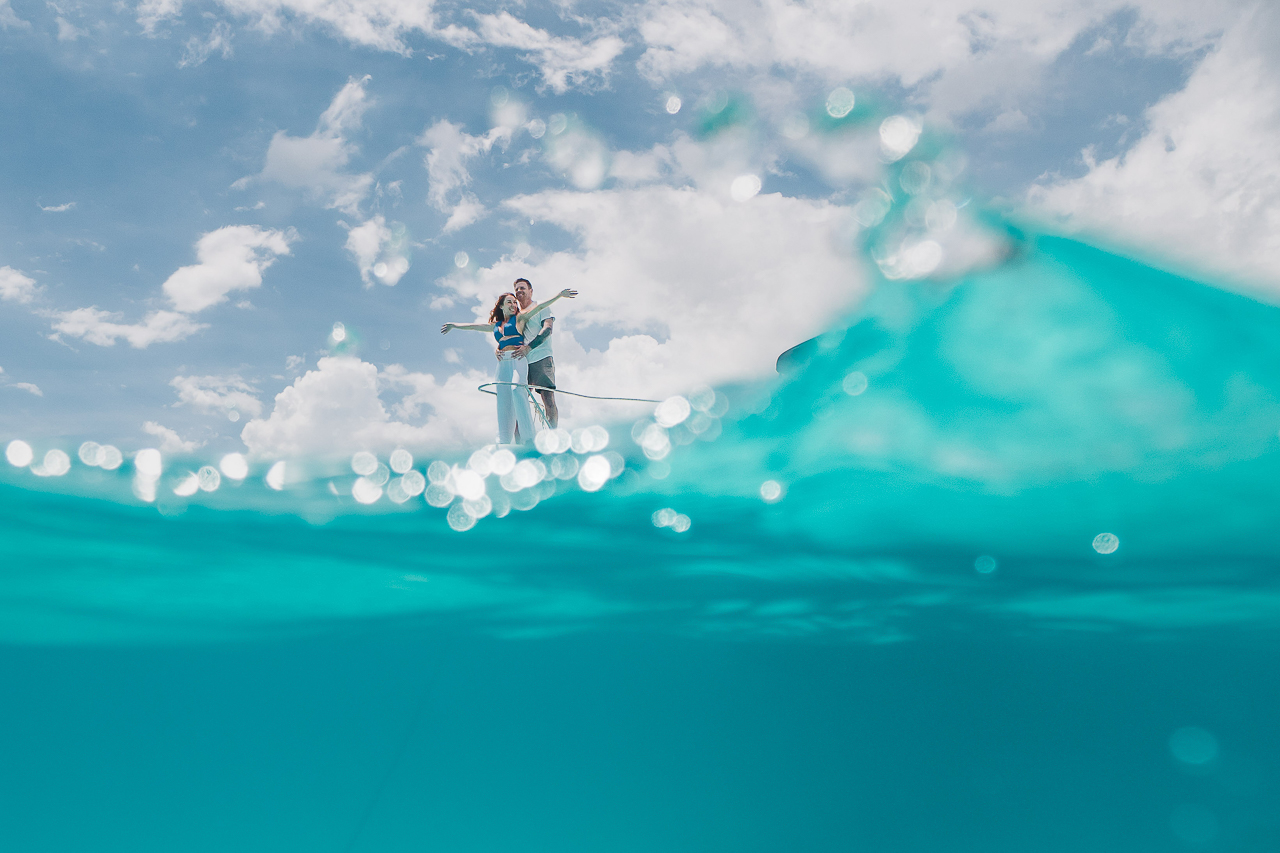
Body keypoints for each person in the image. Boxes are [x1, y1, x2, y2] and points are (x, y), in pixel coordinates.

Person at [441, 288, 577, 445]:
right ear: (501, 306)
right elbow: (473, 326)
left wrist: (559, 295)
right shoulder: (495, 325)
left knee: (517, 391)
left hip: (517, 359)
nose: (513, 304)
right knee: (504, 401)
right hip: (502, 364)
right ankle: (504, 442)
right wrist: (454, 325)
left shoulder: (520, 318)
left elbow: (539, 307)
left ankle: (529, 439)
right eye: (509, 302)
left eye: (514, 302)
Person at [503, 278, 561, 429]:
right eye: (517, 289)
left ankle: (553, 436)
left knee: (547, 398)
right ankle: (521, 443)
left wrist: (529, 347)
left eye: (522, 288)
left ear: (531, 291)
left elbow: (548, 329)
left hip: (541, 357)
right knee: (518, 401)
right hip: (521, 362)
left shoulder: (541, 307)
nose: (519, 291)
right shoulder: (515, 315)